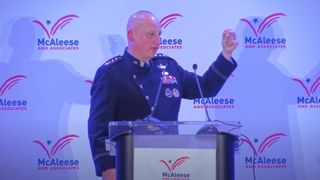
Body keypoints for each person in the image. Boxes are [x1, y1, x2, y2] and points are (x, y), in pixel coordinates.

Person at [88, 10, 238, 180]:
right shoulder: (111, 73)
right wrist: (108, 168)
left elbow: (205, 87)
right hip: (129, 165)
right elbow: (98, 128)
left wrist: (226, 55)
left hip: (171, 166)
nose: (157, 41)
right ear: (132, 35)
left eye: (159, 34)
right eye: (151, 35)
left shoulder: (169, 67)